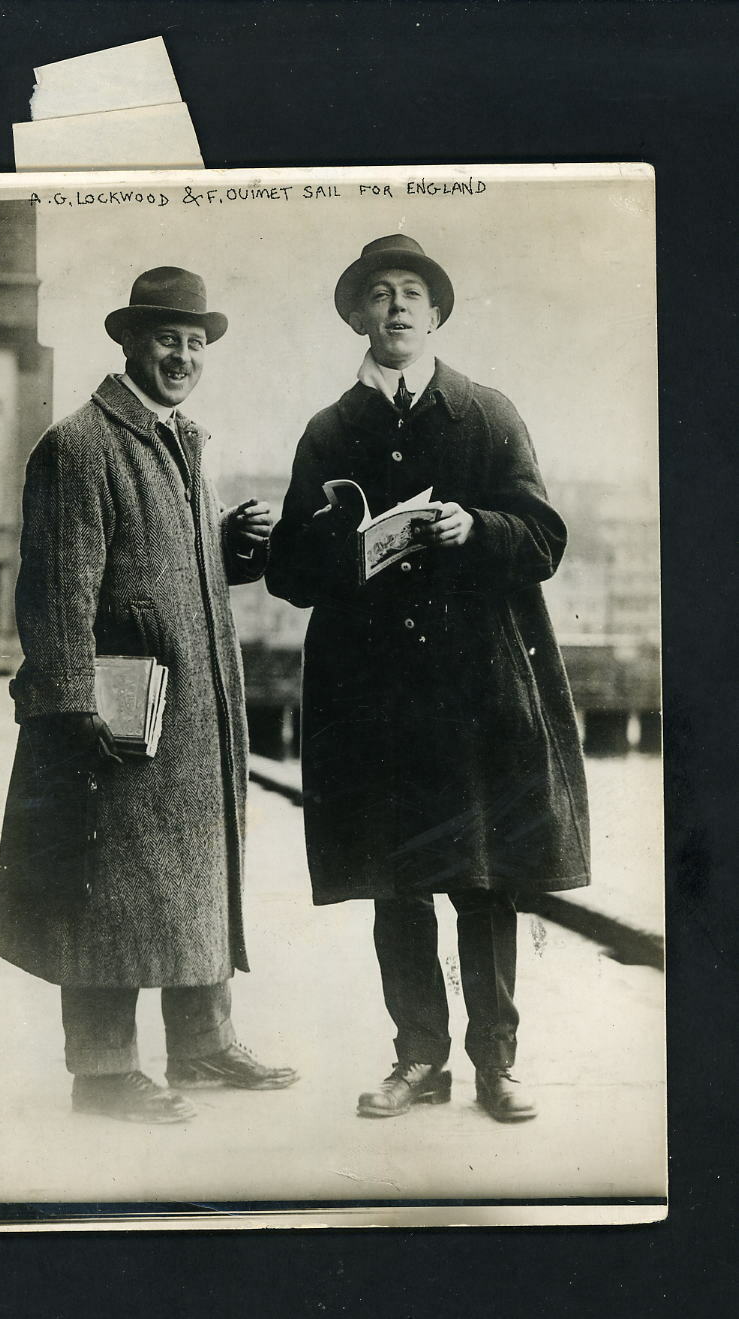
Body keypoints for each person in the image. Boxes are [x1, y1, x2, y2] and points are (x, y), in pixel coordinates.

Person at [265, 235, 590, 1123]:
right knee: (395, 878)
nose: (397, 306)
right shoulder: (329, 430)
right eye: (379, 293)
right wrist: (339, 549)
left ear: (437, 313)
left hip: (474, 691)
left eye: (413, 292)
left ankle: (497, 1063)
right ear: (356, 315)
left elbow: (542, 539)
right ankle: (418, 1059)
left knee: (484, 877)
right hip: (372, 700)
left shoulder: (485, 413)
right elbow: (291, 571)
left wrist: (472, 526)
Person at [0, 266, 297, 1125]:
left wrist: (228, 549)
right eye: (168, 338)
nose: (183, 355)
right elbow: (58, 590)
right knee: (106, 885)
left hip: (191, 710)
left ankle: (201, 1045)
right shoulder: (81, 443)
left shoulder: (179, 440)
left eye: (196, 342)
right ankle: (101, 1070)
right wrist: (69, 708)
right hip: (121, 715)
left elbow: (166, 568)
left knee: (189, 881)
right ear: (129, 341)